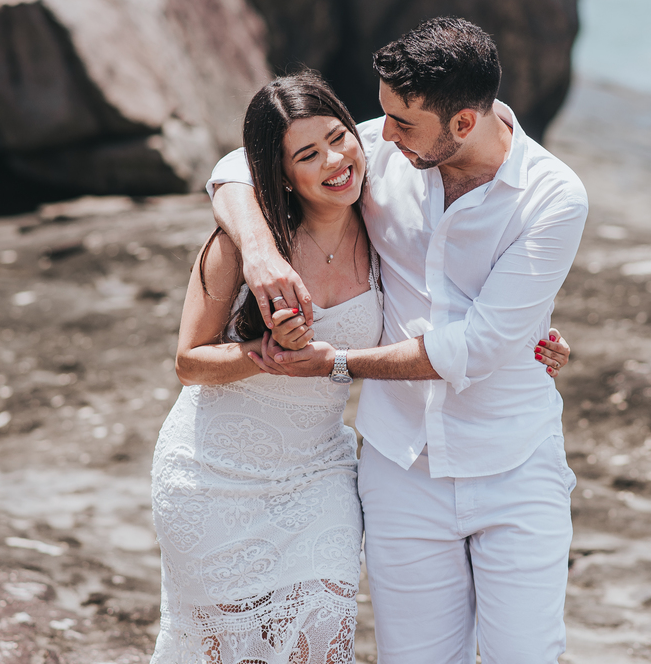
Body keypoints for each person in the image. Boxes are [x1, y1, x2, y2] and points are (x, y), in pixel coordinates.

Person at [151, 71, 569, 664]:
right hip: (215, 474)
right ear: (282, 170)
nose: (338, 157)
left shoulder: (377, 219)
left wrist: (525, 332)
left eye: (340, 137)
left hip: (320, 476)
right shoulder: (237, 247)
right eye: (308, 154)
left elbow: (457, 303)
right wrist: (260, 334)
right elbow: (188, 361)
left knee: (319, 643)